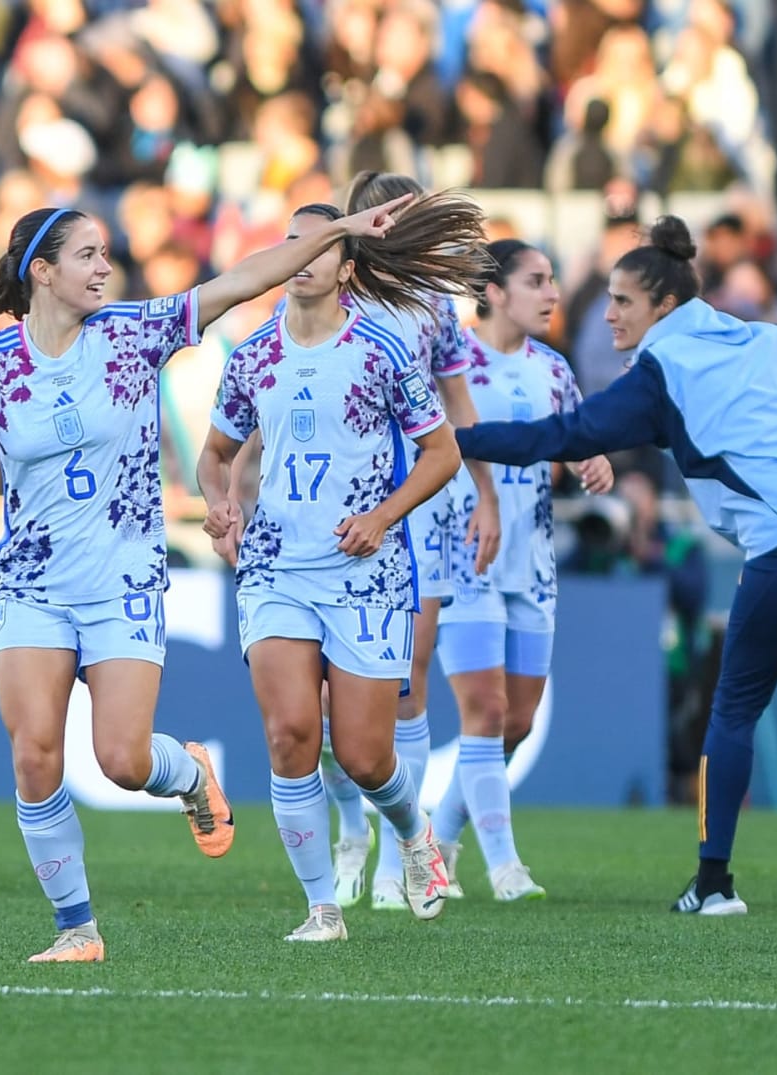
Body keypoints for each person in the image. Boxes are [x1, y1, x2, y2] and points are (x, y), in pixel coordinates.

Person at [0, 195, 412, 960]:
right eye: (88, 254)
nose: (104, 266)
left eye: (104, 253)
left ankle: (187, 772)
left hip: (123, 579)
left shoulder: (135, 333)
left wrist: (338, 232)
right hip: (31, 582)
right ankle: (77, 928)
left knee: (124, 761)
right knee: (33, 754)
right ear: (44, 272)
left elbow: (241, 279)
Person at [454, 216, 777, 915]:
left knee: (732, 709)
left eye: (623, 301)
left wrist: (456, 437)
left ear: (663, 306)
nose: (606, 313)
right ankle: (711, 880)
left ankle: (714, 883)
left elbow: (564, 436)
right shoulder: (764, 337)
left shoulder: (659, 375)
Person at [197, 190, 491, 942]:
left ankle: (414, 834)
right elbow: (217, 455)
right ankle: (322, 907)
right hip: (275, 567)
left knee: (364, 755)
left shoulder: (380, 350)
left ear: (348, 267)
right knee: (292, 732)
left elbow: (443, 452)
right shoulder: (253, 353)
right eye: (293, 243)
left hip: (364, 569)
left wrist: (382, 516)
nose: (301, 257)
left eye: (320, 244)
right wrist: (220, 502)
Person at [305, 171, 501, 914]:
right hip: (331, 505)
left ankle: (396, 862)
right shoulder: (330, 291)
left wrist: (484, 492)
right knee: (325, 702)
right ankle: (350, 827)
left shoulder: (433, 309)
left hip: (419, 504)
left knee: (405, 683)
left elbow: (458, 409)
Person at [427, 238, 613, 903]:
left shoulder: (554, 371)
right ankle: (505, 866)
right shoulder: (451, 366)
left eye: (553, 278)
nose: (553, 291)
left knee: (517, 721)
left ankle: (438, 841)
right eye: (536, 280)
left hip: (531, 560)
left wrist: (595, 462)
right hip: (465, 554)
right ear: (495, 291)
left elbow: (577, 440)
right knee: (484, 709)